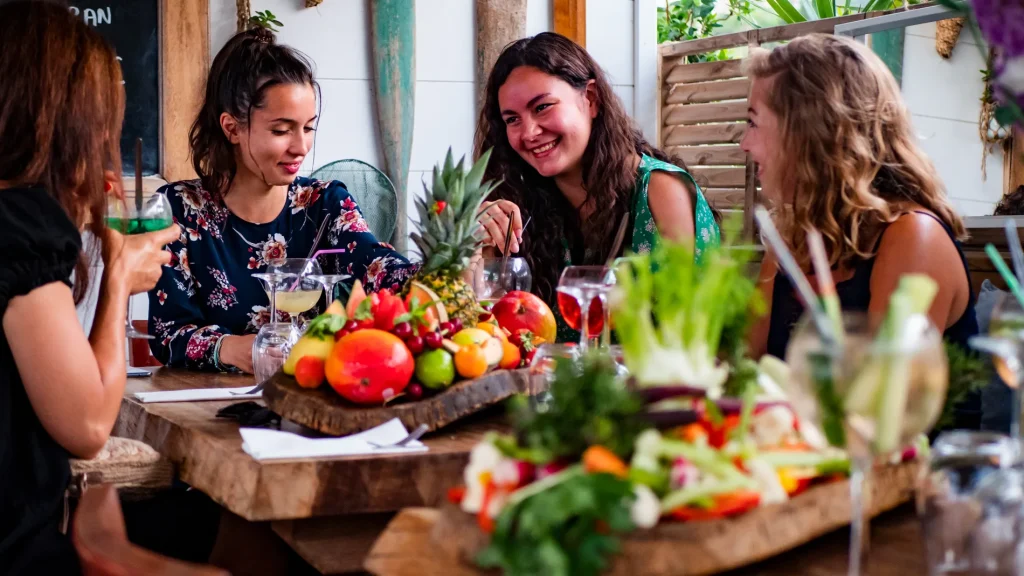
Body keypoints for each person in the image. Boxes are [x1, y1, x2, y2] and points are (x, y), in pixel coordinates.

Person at [0, 2, 179, 573]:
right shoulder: (18, 226)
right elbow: (87, 425)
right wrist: (120, 279)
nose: (109, 135)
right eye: (104, 115)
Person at [742, 34, 979, 427]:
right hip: (808, 471)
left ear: (809, 132)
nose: (743, 144)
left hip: (917, 480)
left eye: (753, 122)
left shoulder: (911, 237)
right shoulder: (791, 237)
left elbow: (875, 417)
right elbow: (741, 370)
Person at [149, 28, 415, 373]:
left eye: (308, 128)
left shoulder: (326, 203)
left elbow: (381, 268)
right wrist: (232, 349)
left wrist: (456, 261)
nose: (300, 147)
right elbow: (168, 333)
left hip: (313, 401)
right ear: (231, 128)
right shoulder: (179, 210)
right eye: (281, 130)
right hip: (209, 406)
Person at [472, 32, 720, 341]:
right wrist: (479, 245)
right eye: (512, 120)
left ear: (590, 99)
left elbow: (694, 336)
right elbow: (486, 333)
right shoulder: (519, 202)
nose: (529, 132)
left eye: (542, 107)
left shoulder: (660, 191)